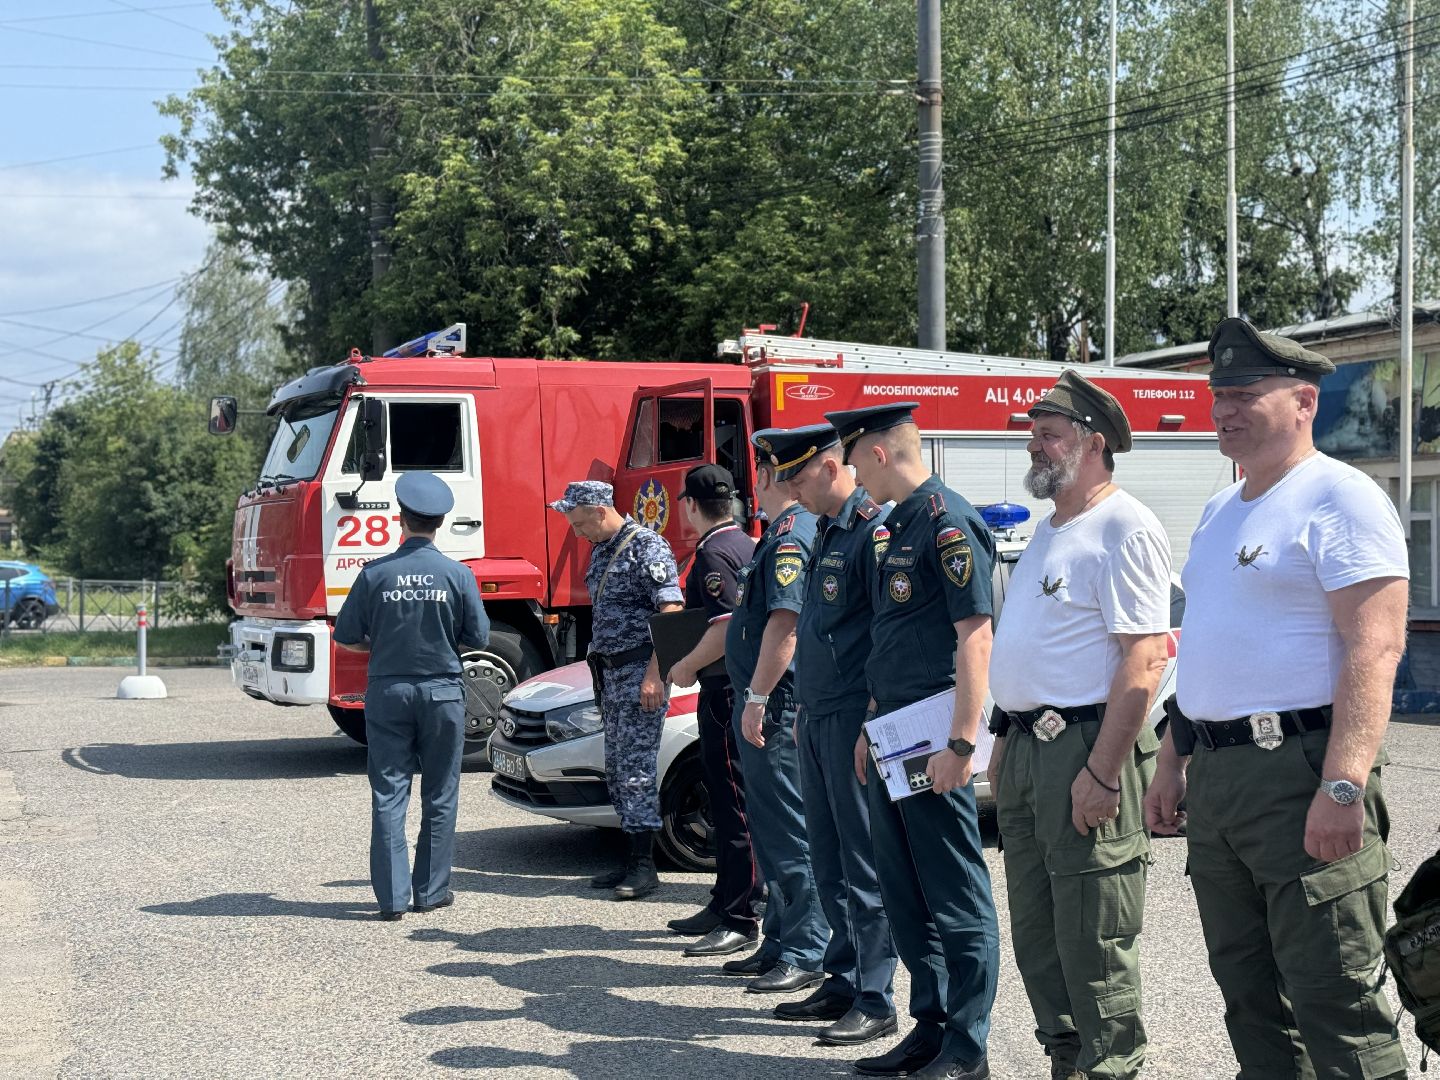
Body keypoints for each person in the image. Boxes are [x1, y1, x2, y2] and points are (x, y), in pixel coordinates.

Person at [1144, 318, 1411, 1079]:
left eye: (1243, 393)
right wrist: (1172, 760)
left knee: (1336, 1000)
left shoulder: (1341, 497)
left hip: (1300, 771)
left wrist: (1343, 783)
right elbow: (1207, 648)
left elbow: (1376, 647)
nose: (1223, 408)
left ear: (1304, 401)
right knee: (1249, 998)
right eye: (1217, 394)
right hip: (1222, 777)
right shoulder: (1219, 510)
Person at [987, 372, 1171, 1080]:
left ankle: (1111, 1066)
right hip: (1032, 750)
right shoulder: (1050, 529)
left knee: (1094, 937)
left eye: (1049, 434)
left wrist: (1100, 770)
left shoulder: (1124, 526)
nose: (1035, 445)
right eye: (1034, 433)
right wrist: (1005, 738)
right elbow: (1034, 649)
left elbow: (1143, 661)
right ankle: (1068, 1061)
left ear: (1093, 443)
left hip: (1086, 751)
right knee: (1039, 935)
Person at [824, 401, 1000, 1080]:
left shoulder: (946, 522)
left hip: (934, 743)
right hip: (895, 733)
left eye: (852, 459)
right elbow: (895, 641)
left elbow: (974, 637)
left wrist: (960, 745)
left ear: (876, 453)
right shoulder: (896, 527)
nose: (853, 477)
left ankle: (968, 1044)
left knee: (954, 892)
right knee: (906, 890)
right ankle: (929, 1026)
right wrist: (871, 721)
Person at [776, 422, 901, 1046]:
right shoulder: (827, 530)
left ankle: (877, 994)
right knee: (826, 857)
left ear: (830, 467)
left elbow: (886, 631)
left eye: (797, 476)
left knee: (863, 860)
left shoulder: (873, 531)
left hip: (853, 716)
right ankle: (844, 974)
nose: (791, 491)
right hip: (818, 713)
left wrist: (872, 717)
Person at [333, 471, 490, 922]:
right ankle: (431, 891)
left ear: (401, 519)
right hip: (442, 693)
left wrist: (382, 644)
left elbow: (347, 637)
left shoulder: (375, 573)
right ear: (439, 523)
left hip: (388, 692)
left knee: (388, 793)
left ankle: (392, 900)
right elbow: (476, 635)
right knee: (440, 794)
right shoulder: (459, 575)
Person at [720, 439, 829, 993]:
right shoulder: (777, 538)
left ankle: (807, 948)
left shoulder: (792, 536)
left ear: (770, 474)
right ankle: (781, 939)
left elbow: (784, 625)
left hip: (777, 705)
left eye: (757, 471)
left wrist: (758, 698)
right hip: (763, 701)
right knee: (769, 829)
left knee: (789, 828)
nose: (750, 484)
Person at [549, 480, 683, 900]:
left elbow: (671, 611)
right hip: (610, 676)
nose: (576, 531)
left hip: (639, 673)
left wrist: (655, 675)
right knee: (617, 770)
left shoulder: (647, 547)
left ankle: (645, 866)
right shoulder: (604, 548)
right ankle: (629, 856)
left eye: (578, 521)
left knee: (638, 769)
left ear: (599, 510)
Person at [664, 465, 765, 952]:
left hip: (724, 687)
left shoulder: (713, 552)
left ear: (689, 505)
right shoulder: (746, 543)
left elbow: (724, 626)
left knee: (732, 803)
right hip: (737, 686)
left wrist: (684, 665)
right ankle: (725, 898)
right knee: (728, 799)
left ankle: (739, 913)